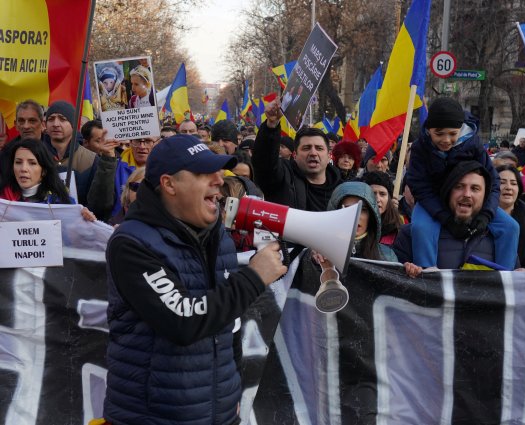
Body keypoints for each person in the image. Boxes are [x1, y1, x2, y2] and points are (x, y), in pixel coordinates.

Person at [103, 134, 287, 424]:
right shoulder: (132, 244)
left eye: (219, 171)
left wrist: (230, 395)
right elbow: (183, 320)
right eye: (204, 173)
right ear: (169, 184)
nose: (219, 180)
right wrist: (253, 277)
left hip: (219, 414)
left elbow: (229, 327)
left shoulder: (218, 237)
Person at [404, 97, 500, 261]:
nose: (446, 140)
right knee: (420, 228)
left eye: (453, 134)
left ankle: (505, 277)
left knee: (511, 227)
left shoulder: (473, 144)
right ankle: (426, 276)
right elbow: (419, 186)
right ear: (428, 130)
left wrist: (486, 214)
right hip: (433, 202)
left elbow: (493, 182)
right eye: (439, 134)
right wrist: (445, 218)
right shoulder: (420, 148)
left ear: (461, 129)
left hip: (467, 200)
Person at [393, 161, 519, 273]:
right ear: (447, 191)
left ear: (486, 196)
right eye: (458, 187)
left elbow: (512, 289)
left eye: (475, 189)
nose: (467, 194)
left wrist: (520, 275)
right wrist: (407, 273)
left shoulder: (503, 237)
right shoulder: (410, 235)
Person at [252, 100, 341, 211]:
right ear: (294, 155)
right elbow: (264, 162)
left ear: (329, 156)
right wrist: (271, 126)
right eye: (306, 148)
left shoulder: (341, 189)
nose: (313, 153)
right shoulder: (283, 178)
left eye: (319, 148)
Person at [0, 139, 96, 221]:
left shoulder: (62, 204)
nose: (23, 169)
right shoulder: (2, 202)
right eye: (18, 162)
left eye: (32, 163)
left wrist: (85, 221)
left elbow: (74, 239)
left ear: (44, 171)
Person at [323, 181, 397, 261]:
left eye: (363, 209)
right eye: (347, 208)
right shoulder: (318, 253)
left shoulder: (387, 256)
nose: (356, 215)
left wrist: (408, 272)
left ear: (371, 215)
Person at [362, 171, 406, 246]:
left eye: (382, 194)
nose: (378, 199)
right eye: (372, 193)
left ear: (389, 199)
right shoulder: (357, 224)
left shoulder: (398, 229)